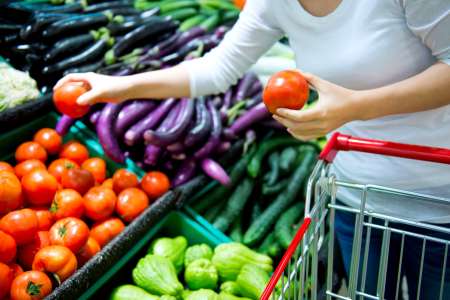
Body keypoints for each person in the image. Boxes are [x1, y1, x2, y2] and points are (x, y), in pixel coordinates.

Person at [55, 0, 450, 298]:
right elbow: (217, 69)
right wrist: (115, 87)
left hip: (436, 196)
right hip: (356, 193)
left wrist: (354, 107)